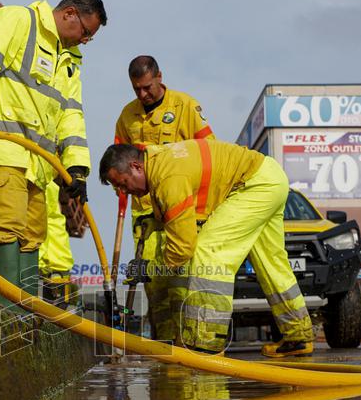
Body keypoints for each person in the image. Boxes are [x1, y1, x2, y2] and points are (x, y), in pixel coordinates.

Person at [99, 140, 314, 357]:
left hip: (254, 185)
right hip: (270, 176)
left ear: (136, 166)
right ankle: (298, 336)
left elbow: (182, 249)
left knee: (209, 251)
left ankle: (207, 343)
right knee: (271, 263)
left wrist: (149, 269)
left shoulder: (168, 178)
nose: (125, 192)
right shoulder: (159, 162)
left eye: (124, 183)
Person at [0, 0, 106, 306]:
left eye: (90, 38)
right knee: (9, 226)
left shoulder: (69, 60)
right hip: (3, 150)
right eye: (85, 32)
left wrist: (76, 170)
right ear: (69, 13)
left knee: (33, 235)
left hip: (38, 165)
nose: (84, 41)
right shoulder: (18, 20)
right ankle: (9, 314)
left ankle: (27, 315)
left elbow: (71, 116)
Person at [114, 56, 215, 339]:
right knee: (153, 280)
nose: (143, 95)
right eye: (137, 90)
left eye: (147, 87)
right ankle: (165, 343)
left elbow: (209, 152)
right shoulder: (127, 116)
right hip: (145, 211)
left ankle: (188, 340)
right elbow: (117, 163)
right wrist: (122, 201)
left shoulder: (186, 106)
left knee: (182, 274)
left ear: (159, 76)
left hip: (181, 205)